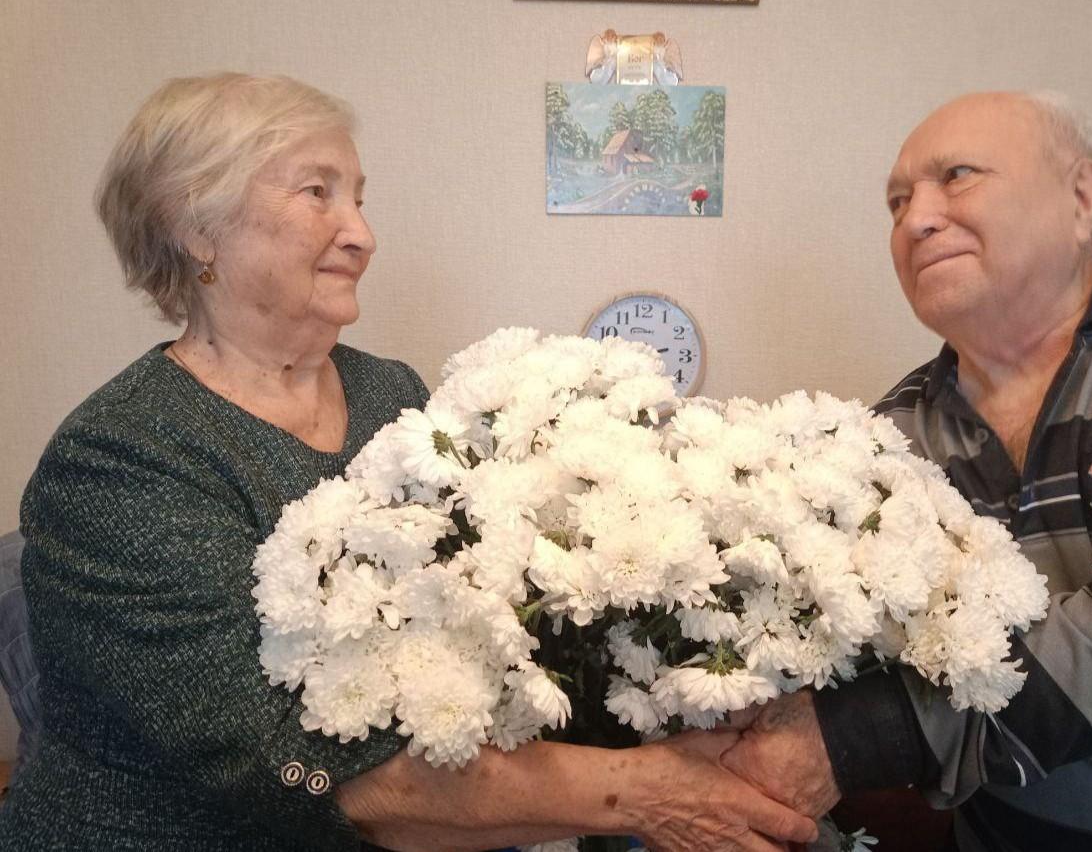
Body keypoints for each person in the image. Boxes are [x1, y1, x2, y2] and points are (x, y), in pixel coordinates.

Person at [0, 72, 817, 852]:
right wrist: (647, 789)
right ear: (194, 225)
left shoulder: (390, 394)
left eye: (358, 199)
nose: (362, 235)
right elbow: (290, 763)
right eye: (317, 192)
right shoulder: (121, 458)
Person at [720, 91, 1092, 849]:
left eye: (957, 176)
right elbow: (835, 641)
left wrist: (845, 743)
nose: (915, 220)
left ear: (1081, 197)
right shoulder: (888, 434)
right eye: (896, 202)